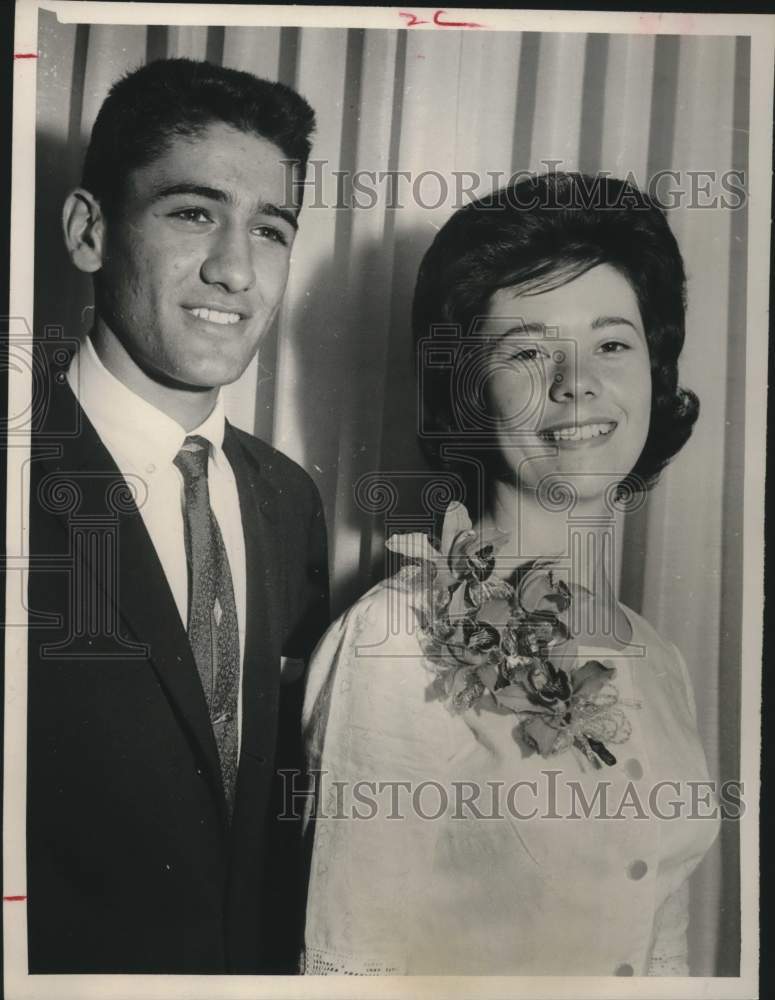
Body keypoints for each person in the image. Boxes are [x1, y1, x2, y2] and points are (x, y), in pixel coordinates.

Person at [301, 173, 720, 976]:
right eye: (526, 351)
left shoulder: (659, 661)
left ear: (652, 370)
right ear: (466, 392)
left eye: (611, 342)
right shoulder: (395, 642)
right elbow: (348, 971)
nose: (576, 382)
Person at [26, 58, 329, 974]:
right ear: (90, 231)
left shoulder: (289, 500)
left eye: (269, 229)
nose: (235, 269)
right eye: (194, 212)